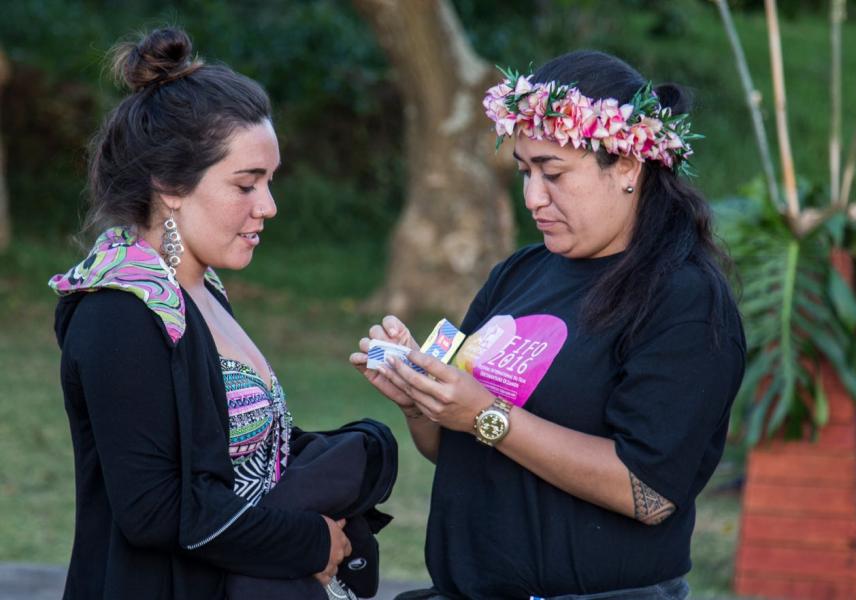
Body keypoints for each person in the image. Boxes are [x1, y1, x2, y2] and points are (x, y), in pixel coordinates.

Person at [350, 49, 746, 599]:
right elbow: (454, 446)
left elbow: (649, 493)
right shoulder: (520, 273)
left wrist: (488, 415)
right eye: (525, 172)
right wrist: (422, 398)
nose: (534, 197)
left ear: (628, 166)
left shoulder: (683, 298)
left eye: (554, 172)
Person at [49, 28, 395, 600]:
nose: (268, 206)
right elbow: (152, 509)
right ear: (169, 185)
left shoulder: (201, 291)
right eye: (246, 183)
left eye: (270, 181)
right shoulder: (117, 313)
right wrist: (308, 542)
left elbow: (248, 452)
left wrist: (354, 453)